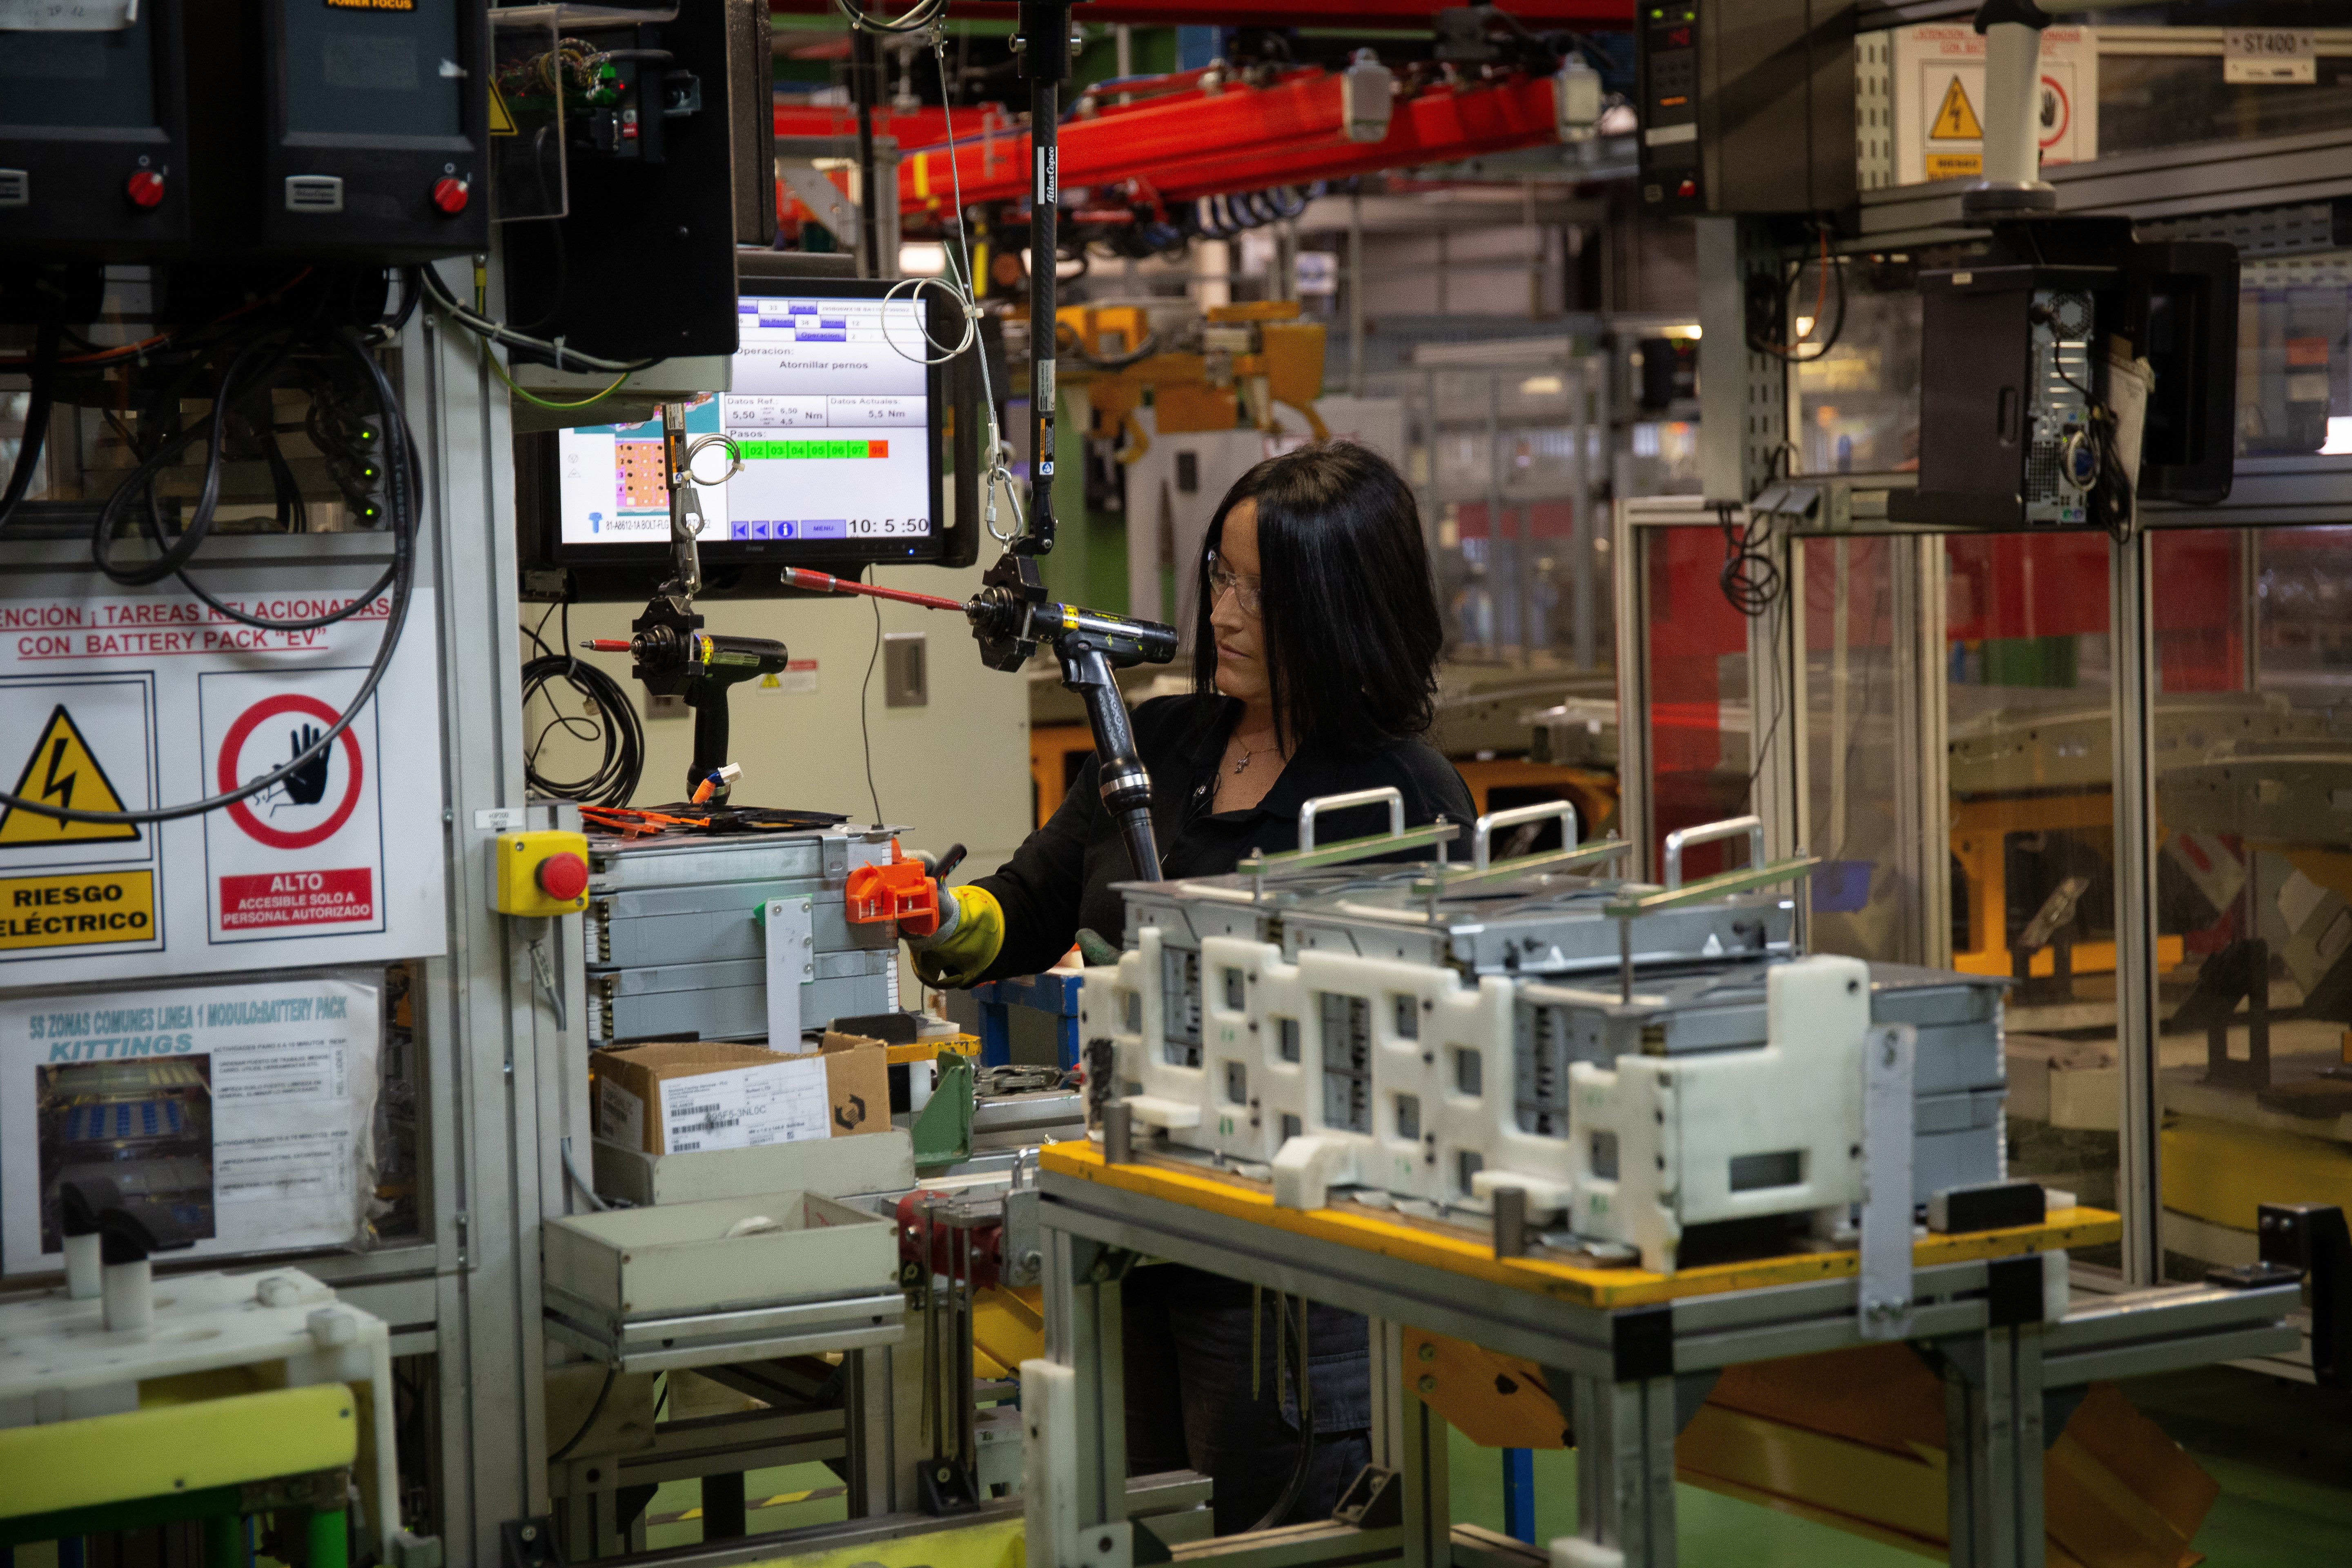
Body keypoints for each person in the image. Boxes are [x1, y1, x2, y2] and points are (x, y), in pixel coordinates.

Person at [909, 441, 1474, 1533]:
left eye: (1263, 592)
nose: (1225, 611)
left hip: (1288, 1270)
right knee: (1139, 1525)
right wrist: (938, 918)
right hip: (1133, 1228)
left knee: (1271, 1534)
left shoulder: (1400, 792)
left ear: (1339, 602)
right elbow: (1029, 901)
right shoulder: (1161, 739)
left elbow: (1424, 1036)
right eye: (1221, 574)